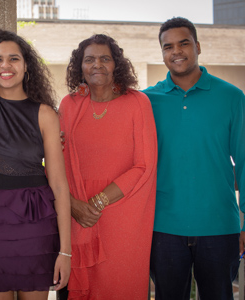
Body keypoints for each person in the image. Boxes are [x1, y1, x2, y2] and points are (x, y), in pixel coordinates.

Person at [143, 17, 245, 300]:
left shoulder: (232, 97)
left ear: (198, 46)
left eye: (183, 43)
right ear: (162, 53)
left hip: (219, 225)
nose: (176, 51)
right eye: (168, 46)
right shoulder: (145, 102)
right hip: (163, 227)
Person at [0, 29, 71, 300]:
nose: (5, 66)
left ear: (26, 66)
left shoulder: (46, 114)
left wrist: (65, 251)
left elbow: (59, 185)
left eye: (14, 59)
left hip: (35, 221)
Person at [59, 34, 158, 299]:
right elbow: (55, 163)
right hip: (77, 215)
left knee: (119, 286)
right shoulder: (69, 105)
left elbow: (144, 165)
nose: (97, 65)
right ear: (80, 66)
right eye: (89, 59)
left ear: (117, 64)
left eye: (105, 58)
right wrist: (74, 205)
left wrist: (99, 202)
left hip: (123, 216)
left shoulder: (138, 103)